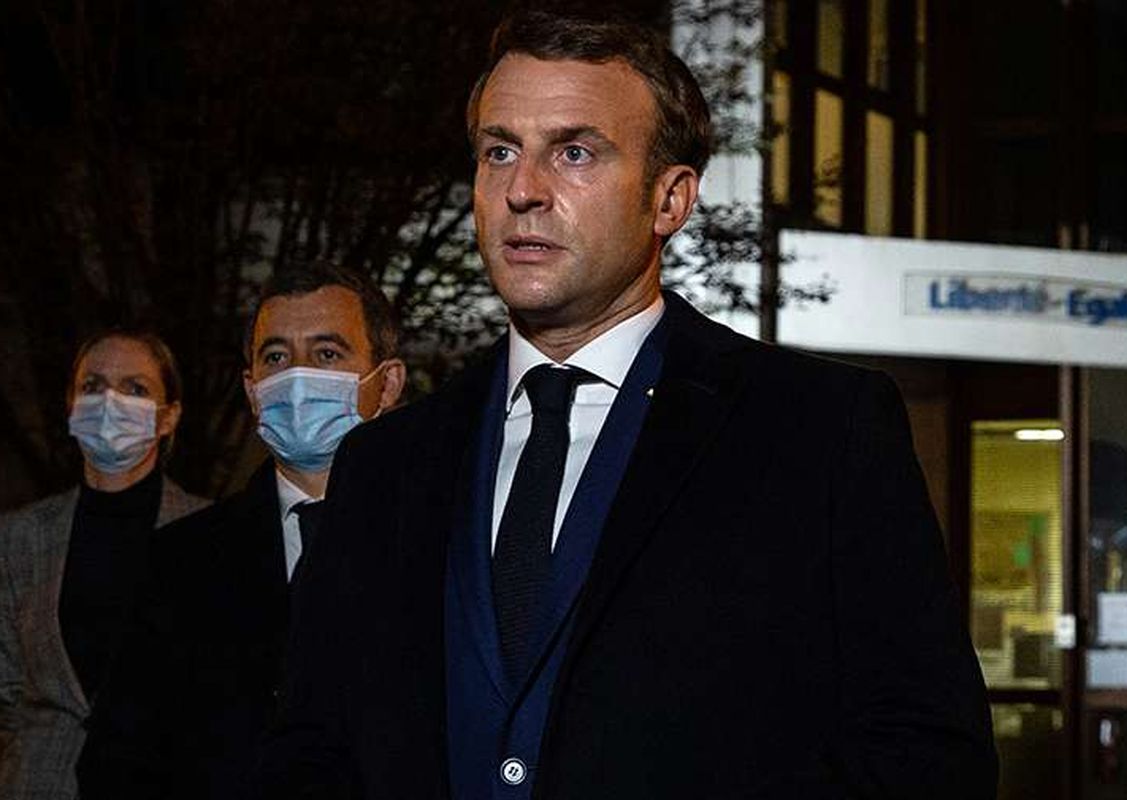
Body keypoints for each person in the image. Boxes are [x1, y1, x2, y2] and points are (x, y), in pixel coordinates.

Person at [261, 12, 997, 799]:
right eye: (498, 150)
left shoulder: (820, 432)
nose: (522, 191)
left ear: (670, 199)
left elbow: (927, 754)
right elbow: (314, 748)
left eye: (574, 152)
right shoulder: (386, 465)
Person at [77, 261, 405, 799]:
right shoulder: (178, 562)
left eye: (326, 354)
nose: (296, 379)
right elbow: (117, 763)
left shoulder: (445, 542)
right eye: (276, 357)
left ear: (387, 382)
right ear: (253, 391)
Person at [0, 329, 209, 800]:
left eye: (135, 388)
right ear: (71, 405)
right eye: (92, 386)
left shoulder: (211, 531)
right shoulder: (20, 537)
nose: (110, 401)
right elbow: (7, 690)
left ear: (168, 416)